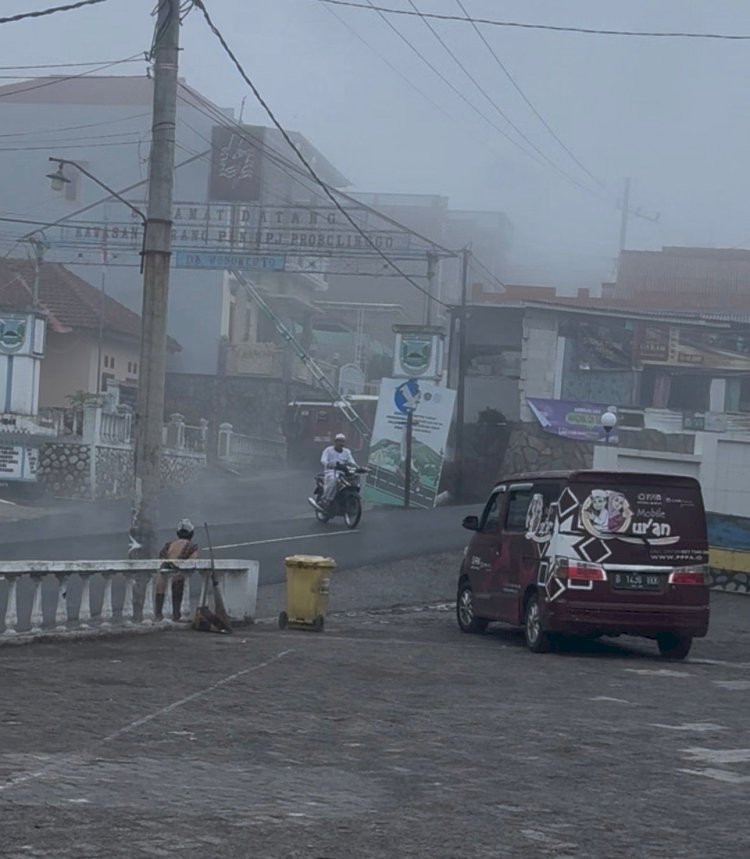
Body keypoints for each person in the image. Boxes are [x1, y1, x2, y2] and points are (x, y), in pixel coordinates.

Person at [156, 518, 199, 621]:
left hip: (162, 582)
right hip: (178, 581)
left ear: (177, 533)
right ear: (191, 533)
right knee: (176, 612)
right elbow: (191, 563)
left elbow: (161, 560)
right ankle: (176, 618)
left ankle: (158, 616)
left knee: (161, 613)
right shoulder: (191, 547)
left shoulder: (169, 545)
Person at [317, 433, 357, 509]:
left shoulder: (347, 451)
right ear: (335, 442)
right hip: (331, 472)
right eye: (339, 441)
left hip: (344, 472)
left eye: (343, 442)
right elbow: (323, 460)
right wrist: (329, 464)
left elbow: (352, 462)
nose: (341, 443)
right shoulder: (328, 450)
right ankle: (326, 499)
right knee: (334, 480)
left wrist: (359, 467)